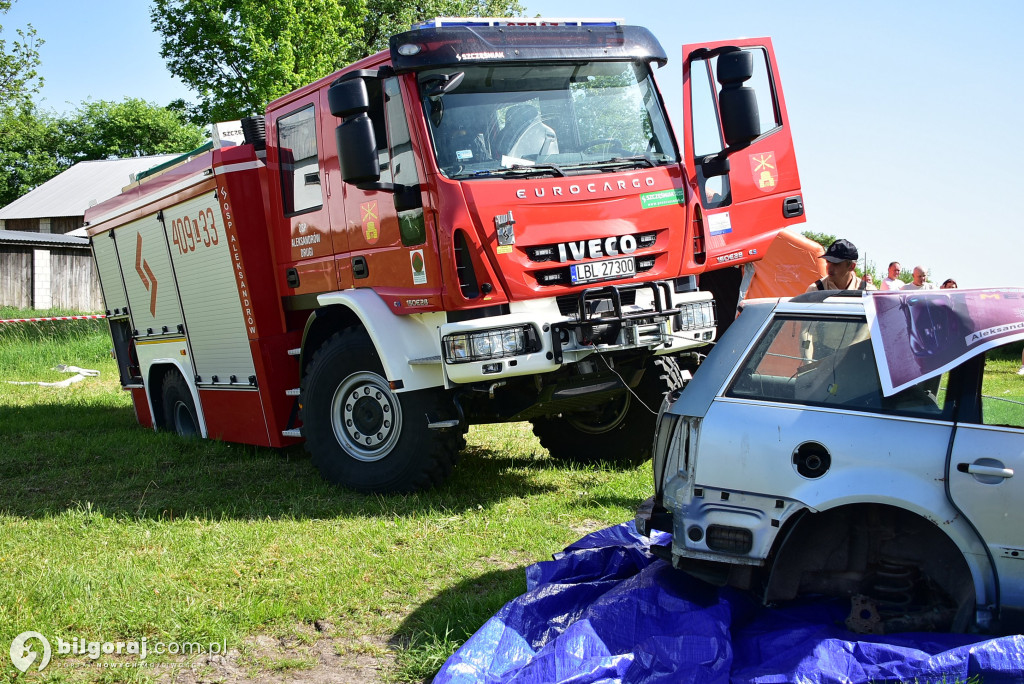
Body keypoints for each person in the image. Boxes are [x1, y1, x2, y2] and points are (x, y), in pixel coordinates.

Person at [806, 238, 876, 292]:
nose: (829, 268)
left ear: (852, 266)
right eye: (828, 261)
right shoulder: (815, 290)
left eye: (836, 263)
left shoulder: (868, 292)